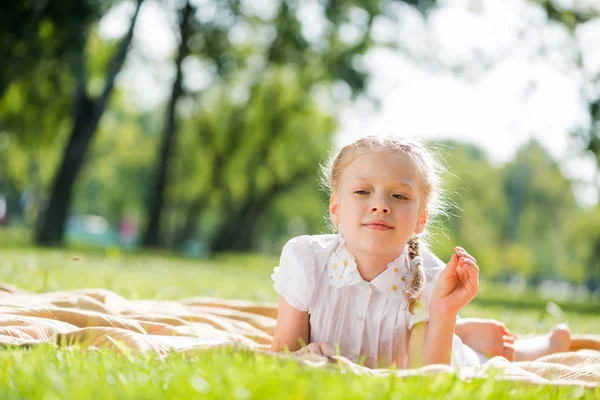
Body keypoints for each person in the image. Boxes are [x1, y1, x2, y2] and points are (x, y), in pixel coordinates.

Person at [268, 136, 572, 369]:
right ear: (335, 208)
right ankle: (465, 330)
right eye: (362, 191)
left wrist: (444, 313)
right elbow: (281, 354)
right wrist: (301, 358)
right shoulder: (306, 260)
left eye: (399, 196)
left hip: (433, 352)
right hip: (411, 337)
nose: (380, 204)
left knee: (487, 360)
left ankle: (547, 344)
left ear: (420, 220)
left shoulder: (428, 279)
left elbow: (430, 377)